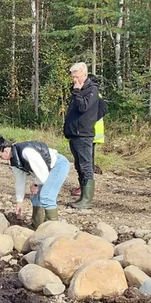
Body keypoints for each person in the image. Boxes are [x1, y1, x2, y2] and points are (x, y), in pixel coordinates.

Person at [0, 134, 71, 230]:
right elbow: (20, 181)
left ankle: (52, 229)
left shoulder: (27, 152)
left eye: (0, 156)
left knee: (47, 196)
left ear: (5, 150)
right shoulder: (14, 162)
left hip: (58, 165)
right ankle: (36, 226)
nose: (0, 158)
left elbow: (43, 175)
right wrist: (19, 202)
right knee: (35, 196)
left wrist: (35, 184)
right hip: (45, 171)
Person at [64, 62, 108, 210]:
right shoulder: (79, 90)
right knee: (79, 166)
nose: (74, 80)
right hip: (74, 134)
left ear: (84, 74)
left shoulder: (92, 90)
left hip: (83, 134)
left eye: (76, 77)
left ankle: (87, 200)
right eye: (72, 77)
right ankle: (83, 196)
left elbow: (84, 107)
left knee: (86, 166)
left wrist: (89, 120)